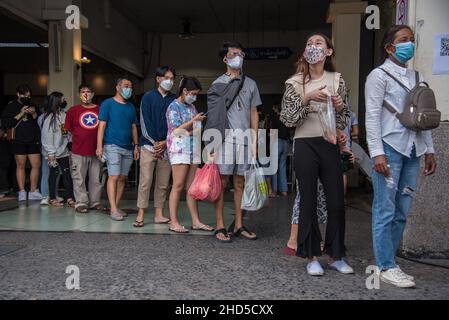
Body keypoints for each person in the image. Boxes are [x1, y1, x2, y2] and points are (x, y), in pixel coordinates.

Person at [365, 25, 436, 288]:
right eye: (403, 40)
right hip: (390, 149)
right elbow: (372, 117)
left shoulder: (419, 76)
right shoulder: (378, 76)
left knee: (402, 210)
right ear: (389, 47)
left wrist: (429, 150)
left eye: (412, 40)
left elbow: (424, 117)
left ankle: (390, 261)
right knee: (385, 209)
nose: (409, 44)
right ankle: (385, 265)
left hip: (413, 151)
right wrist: (377, 154)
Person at [280, 32, 353, 276]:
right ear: (304, 52)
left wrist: (340, 107)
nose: (313, 46)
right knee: (308, 200)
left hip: (329, 143)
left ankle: (336, 254)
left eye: (318, 43)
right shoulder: (294, 83)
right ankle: (311, 256)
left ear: (329, 51)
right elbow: (288, 119)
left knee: (336, 201)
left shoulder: (337, 80)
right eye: (309, 43)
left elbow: (343, 119)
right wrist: (307, 98)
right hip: (304, 143)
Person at [205, 41, 262, 242]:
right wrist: (211, 145)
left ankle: (239, 225)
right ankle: (220, 225)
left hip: (245, 139)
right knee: (221, 182)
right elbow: (213, 116)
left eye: (241, 53)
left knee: (240, 183)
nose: (238, 56)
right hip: (225, 139)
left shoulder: (251, 83)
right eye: (234, 53)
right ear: (225, 59)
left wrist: (255, 140)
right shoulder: (217, 84)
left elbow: (254, 112)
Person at [166, 76, 213, 233]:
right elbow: (175, 130)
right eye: (192, 93)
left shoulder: (191, 107)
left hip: (193, 149)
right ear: (184, 91)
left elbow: (193, 130)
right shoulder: (173, 107)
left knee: (192, 187)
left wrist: (197, 124)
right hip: (179, 150)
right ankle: (173, 222)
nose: (194, 97)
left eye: (196, 94)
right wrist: (194, 120)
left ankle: (196, 221)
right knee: (178, 186)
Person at [135, 67, 176, 227]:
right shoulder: (148, 97)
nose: (170, 81)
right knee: (145, 180)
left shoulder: (174, 99)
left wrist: (165, 143)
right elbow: (144, 122)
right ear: (158, 79)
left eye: (172, 78)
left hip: (167, 147)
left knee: (163, 183)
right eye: (166, 77)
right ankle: (141, 213)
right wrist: (155, 142)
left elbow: (174, 124)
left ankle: (159, 214)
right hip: (148, 145)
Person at [97, 78, 140, 221]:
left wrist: (136, 146)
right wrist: (99, 146)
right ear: (117, 87)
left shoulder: (130, 107)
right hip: (112, 145)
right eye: (126, 85)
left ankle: (115, 206)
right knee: (113, 176)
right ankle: (113, 210)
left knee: (122, 178)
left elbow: (134, 127)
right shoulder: (107, 104)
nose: (129, 88)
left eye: (131, 86)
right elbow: (101, 126)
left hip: (128, 147)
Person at [65, 84, 106, 214]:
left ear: (93, 94)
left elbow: (105, 127)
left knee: (96, 178)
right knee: (79, 178)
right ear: (79, 94)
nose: (86, 94)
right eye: (83, 92)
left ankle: (95, 202)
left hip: (97, 150)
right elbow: (68, 130)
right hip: (78, 150)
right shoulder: (73, 110)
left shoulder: (100, 109)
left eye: (88, 91)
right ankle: (81, 202)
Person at [1, 85, 42, 201]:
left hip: (33, 140)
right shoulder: (11, 106)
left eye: (29, 96)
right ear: (18, 94)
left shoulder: (33, 105)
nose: (27, 97)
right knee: (20, 166)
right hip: (18, 140)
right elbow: (6, 123)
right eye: (24, 95)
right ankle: (22, 191)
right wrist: (20, 113)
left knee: (36, 165)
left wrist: (34, 114)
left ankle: (33, 191)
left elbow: (39, 121)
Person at [41, 92, 75, 207]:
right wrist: (51, 153)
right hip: (53, 153)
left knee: (67, 174)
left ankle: (70, 197)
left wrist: (69, 145)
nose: (65, 100)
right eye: (63, 98)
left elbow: (67, 133)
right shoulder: (49, 118)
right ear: (57, 101)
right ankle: (52, 198)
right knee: (53, 174)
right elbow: (46, 136)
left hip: (63, 151)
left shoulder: (64, 115)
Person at [270, 104, 290, 197]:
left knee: (274, 167)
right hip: (285, 143)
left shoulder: (275, 118)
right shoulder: (286, 118)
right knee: (282, 167)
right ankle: (284, 190)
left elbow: (273, 132)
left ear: (276, 109)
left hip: (277, 142)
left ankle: (274, 191)